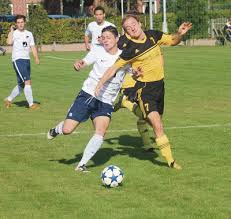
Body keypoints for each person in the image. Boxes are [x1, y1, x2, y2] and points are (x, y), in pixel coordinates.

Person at [95, 14, 192, 170]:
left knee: (153, 120)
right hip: (145, 89)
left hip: (160, 86)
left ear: (139, 23)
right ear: (126, 32)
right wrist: (100, 83)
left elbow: (173, 40)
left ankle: (127, 104)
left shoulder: (154, 35)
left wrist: (180, 33)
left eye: (134, 24)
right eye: (128, 27)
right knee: (157, 125)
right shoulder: (130, 50)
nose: (132, 27)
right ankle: (171, 161)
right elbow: (114, 67)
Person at [47, 26, 130, 172]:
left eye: (108, 37)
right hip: (88, 95)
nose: (105, 40)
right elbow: (84, 62)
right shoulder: (98, 51)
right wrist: (79, 65)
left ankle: (81, 165)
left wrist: (137, 72)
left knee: (100, 131)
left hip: (106, 101)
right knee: (67, 130)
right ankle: (57, 129)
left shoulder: (124, 57)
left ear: (117, 39)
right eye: (103, 37)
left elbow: (133, 72)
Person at [4, 15, 40, 109]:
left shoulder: (29, 34)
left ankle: (9, 99)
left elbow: (32, 46)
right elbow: (8, 42)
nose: (20, 24)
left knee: (21, 84)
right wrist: (11, 32)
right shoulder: (14, 33)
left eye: (22, 22)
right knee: (27, 81)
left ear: (24, 23)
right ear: (16, 24)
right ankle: (31, 104)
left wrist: (36, 58)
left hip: (27, 60)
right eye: (18, 22)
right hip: (17, 60)